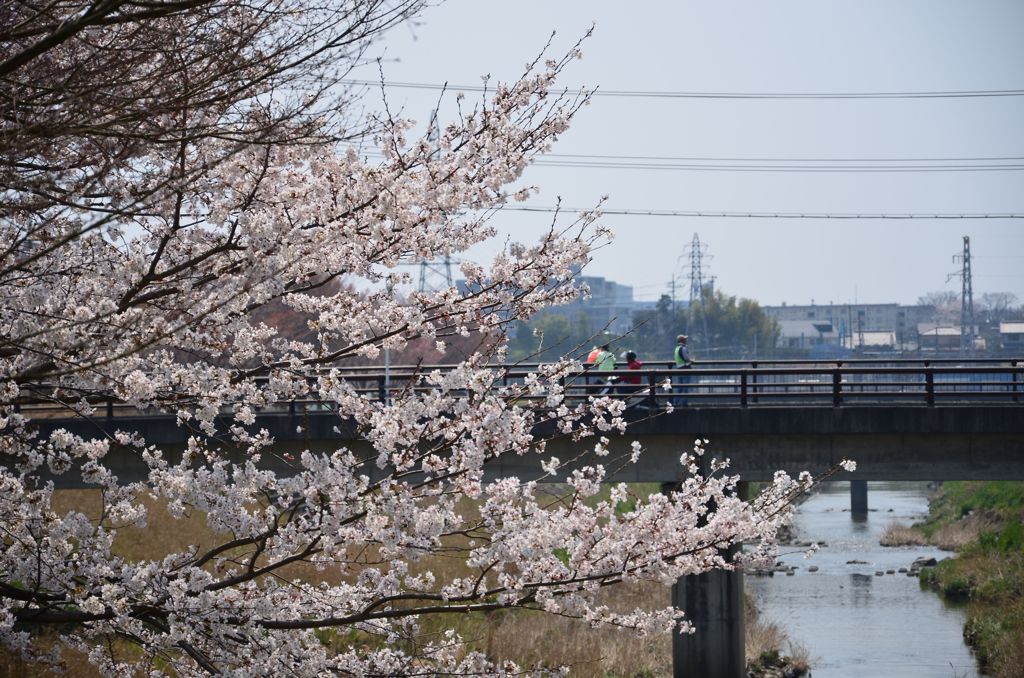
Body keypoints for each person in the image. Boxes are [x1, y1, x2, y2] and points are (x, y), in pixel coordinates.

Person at [673, 334, 692, 405]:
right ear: (683, 340)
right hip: (685, 369)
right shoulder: (683, 348)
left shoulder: (676, 348)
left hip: (679, 368)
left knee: (680, 387)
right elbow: (686, 358)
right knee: (686, 386)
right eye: (685, 339)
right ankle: (684, 403)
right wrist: (691, 361)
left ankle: (676, 402)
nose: (686, 340)